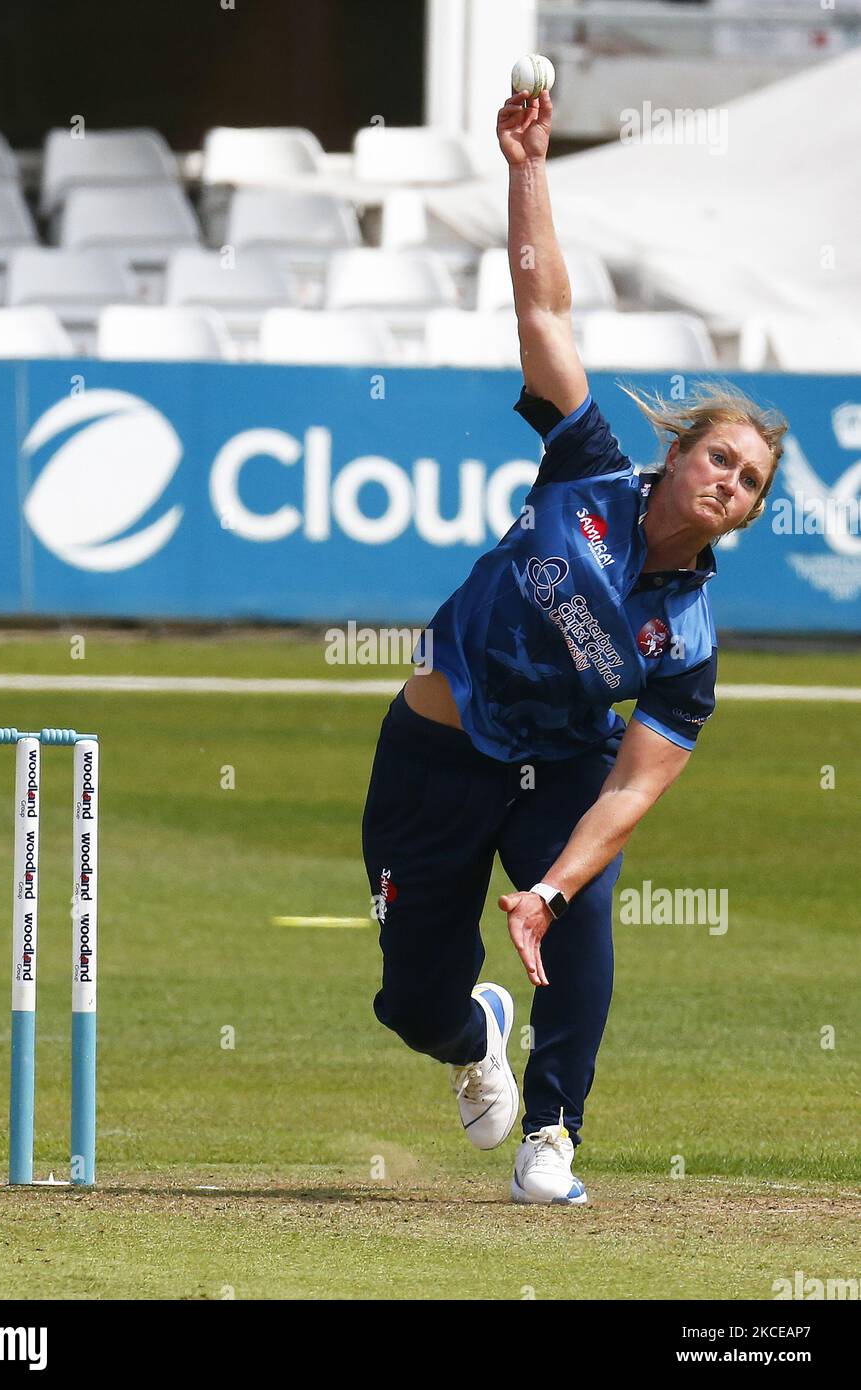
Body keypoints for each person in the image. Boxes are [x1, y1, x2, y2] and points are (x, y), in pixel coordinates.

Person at [361, 85, 788, 1204]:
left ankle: (550, 1134)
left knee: (588, 907)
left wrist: (546, 888)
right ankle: (471, 1039)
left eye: (747, 483)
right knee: (409, 1001)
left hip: (559, 767)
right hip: (434, 747)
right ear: (683, 453)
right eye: (719, 458)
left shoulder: (686, 638)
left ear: (744, 515)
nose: (727, 481)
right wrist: (524, 166)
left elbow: (632, 794)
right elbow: (542, 312)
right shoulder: (587, 467)